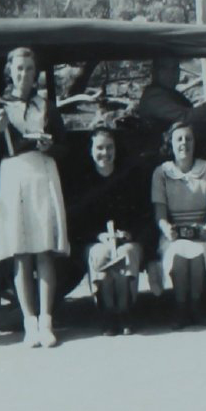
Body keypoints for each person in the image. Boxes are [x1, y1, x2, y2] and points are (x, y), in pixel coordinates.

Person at [0, 47, 69, 348]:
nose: (24, 74)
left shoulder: (45, 106)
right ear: (10, 71)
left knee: (44, 250)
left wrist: (50, 147)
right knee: (21, 252)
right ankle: (29, 323)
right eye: (19, 68)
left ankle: (47, 321)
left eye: (29, 69)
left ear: (35, 74)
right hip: (14, 176)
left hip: (42, 174)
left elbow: (65, 147)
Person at [151, 122, 206, 329]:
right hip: (174, 233)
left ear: (194, 142)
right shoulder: (161, 172)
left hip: (204, 231)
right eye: (179, 139)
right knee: (178, 252)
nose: (184, 143)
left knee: (199, 252)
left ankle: (197, 306)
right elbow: (160, 215)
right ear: (171, 144)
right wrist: (168, 230)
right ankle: (181, 308)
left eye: (188, 138)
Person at [76, 127, 145, 336]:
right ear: (91, 150)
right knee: (101, 254)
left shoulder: (128, 177)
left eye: (109, 148)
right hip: (97, 241)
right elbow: (78, 221)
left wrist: (128, 234)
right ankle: (108, 312)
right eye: (99, 148)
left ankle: (124, 310)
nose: (105, 153)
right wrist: (99, 236)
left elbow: (141, 214)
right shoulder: (84, 180)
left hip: (126, 240)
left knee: (126, 254)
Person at [137, 57, 206, 129]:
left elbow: (192, 114)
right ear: (156, 72)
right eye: (169, 69)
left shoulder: (169, 93)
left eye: (176, 68)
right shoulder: (154, 97)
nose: (175, 73)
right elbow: (185, 118)